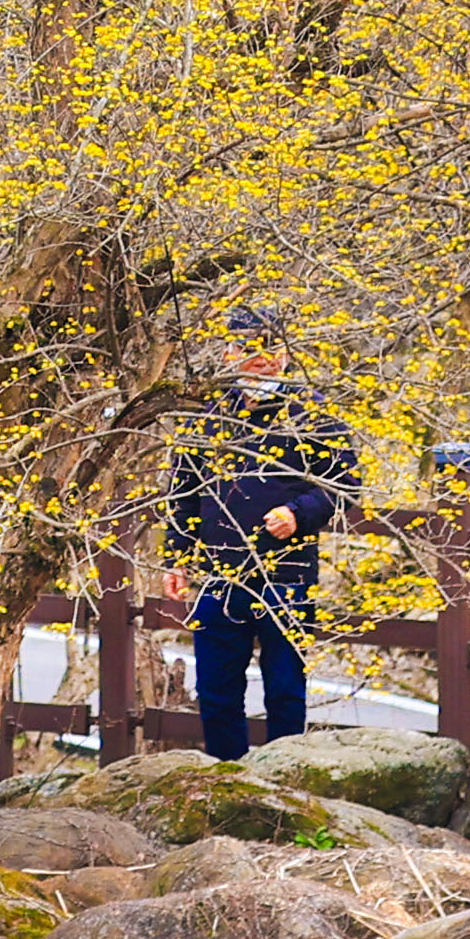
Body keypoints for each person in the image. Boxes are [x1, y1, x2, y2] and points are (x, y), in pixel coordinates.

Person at [165, 309, 360, 757]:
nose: (258, 358)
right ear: (229, 353)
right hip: (219, 574)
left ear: (286, 356)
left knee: (286, 692)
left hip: (286, 573)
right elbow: (184, 491)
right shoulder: (206, 415)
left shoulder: (312, 414)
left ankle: (284, 784)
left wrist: (299, 512)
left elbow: (346, 483)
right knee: (215, 693)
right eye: (246, 347)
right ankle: (226, 782)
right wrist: (177, 558)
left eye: (268, 347)